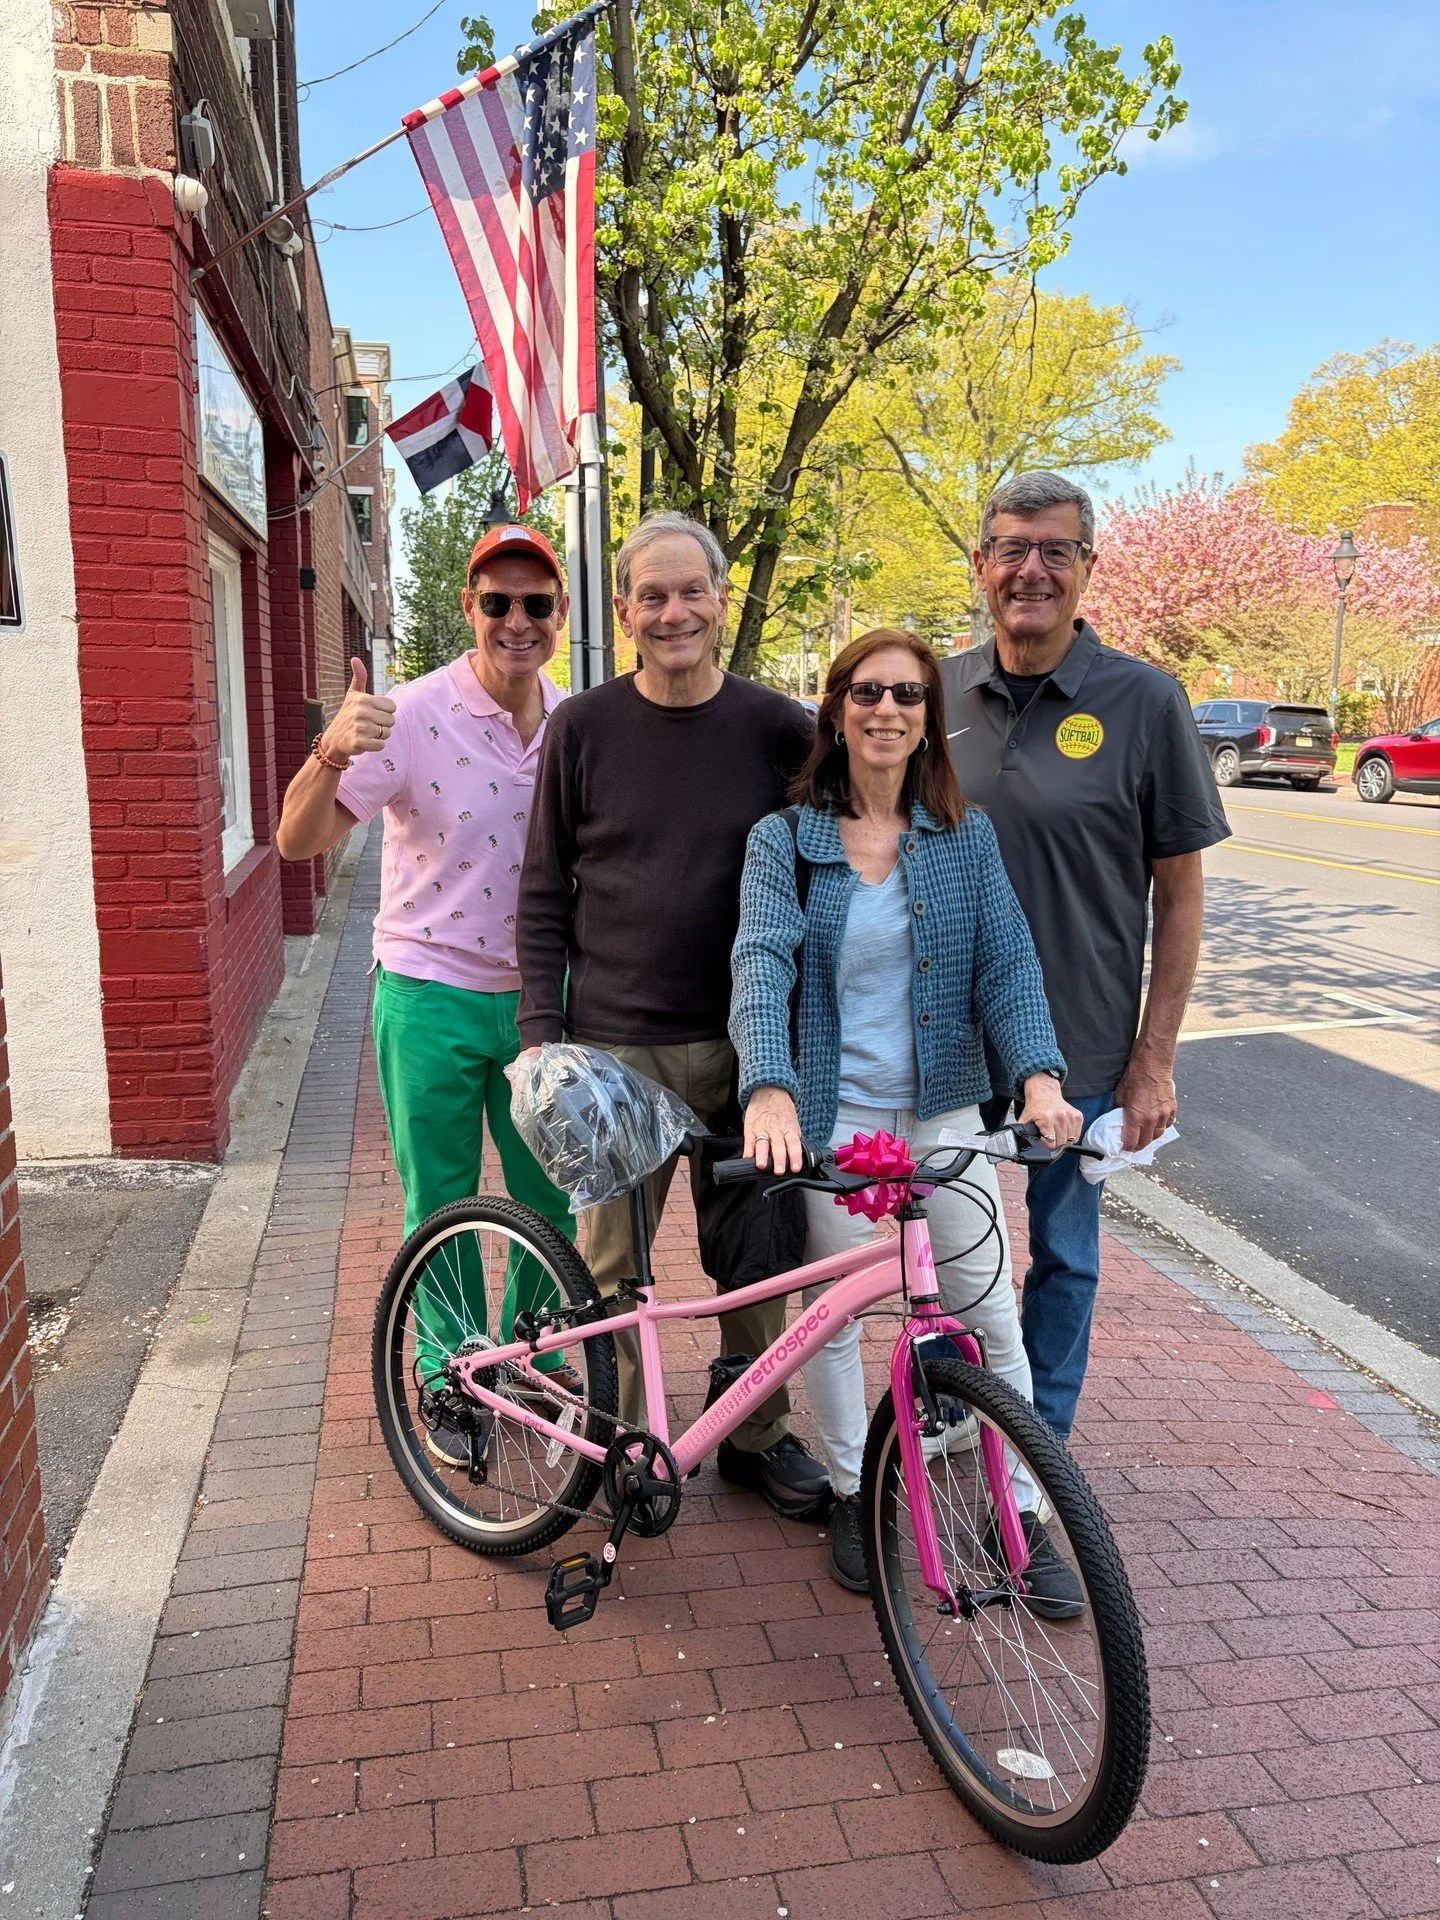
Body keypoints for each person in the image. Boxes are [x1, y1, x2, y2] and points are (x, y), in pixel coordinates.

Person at [730, 628, 1087, 1604]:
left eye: (908, 695)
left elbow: (1008, 967)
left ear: (930, 717)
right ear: (837, 711)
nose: (887, 710)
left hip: (940, 1116)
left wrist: (1040, 1080)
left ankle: (1019, 1512)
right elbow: (761, 965)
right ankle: (854, 1490)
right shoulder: (785, 842)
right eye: (867, 693)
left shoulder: (964, 838)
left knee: (988, 1316)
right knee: (836, 1322)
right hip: (834, 1117)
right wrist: (768, 1084)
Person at [515, 510, 831, 1518]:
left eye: (690, 590)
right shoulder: (583, 728)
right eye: (650, 595)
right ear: (623, 610)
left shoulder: (779, 728)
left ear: (722, 600)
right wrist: (540, 1038)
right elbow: (542, 891)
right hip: (614, 1049)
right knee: (609, 1266)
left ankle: (755, 1432)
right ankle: (619, 1441)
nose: (672, 611)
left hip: (752, 1050)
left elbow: (840, 863)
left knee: (756, 1257)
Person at [275, 523, 580, 1458]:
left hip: (542, 1002)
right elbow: (295, 842)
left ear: (560, 616)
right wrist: (328, 752)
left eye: (536, 603)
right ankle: (452, 1369)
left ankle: (532, 1355)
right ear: (470, 609)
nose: (516, 621)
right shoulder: (407, 713)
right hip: (430, 992)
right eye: (498, 602)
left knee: (548, 1198)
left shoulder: (575, 722)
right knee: (442, 1200)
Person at [940, 470, 1231, 1444]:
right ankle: (937, 1432)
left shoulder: (1145, 702)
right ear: (981, 566)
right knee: (949, 1257)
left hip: (1086, 1046)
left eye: (1054, 550)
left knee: (1064, 1256)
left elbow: (1180, 892)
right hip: (947, 1046)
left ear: (1086, 568)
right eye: (1013, 550)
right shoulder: (932, 693)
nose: (1032, 570)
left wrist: (1155, 1057)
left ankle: (1034, 1456)